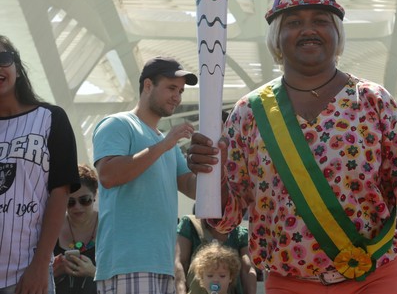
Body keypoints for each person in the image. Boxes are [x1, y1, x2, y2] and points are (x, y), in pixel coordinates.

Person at [187, 0, 397, 293]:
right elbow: (224, 221)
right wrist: (211, 173)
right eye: (294, 21)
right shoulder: (249, 113)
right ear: (277, 37)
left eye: (320, 20)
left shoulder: (374, 100)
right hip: (290, 283)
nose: (308, 29)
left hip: (374, 280)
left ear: (336, 34)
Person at [92, 56, 199, 293]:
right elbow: (108, 176)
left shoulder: (164, 141)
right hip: (128, 264)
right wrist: (166, 144)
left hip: (164, 266)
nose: (177, 97)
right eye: (171, 88)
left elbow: (192, 188)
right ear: (148, 85)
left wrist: (216, 159)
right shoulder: (118, 124)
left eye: (180, 91)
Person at [0, 35, 80, 294]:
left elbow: (60, 193)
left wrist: (39, 265)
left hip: (26, 274)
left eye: (2, 59)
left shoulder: (51, 118)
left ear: (17, 68)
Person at [175, 211, 256, 294]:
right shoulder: (190, 224)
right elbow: (180, 262)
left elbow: (248, 269)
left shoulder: (240, 234)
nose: (216, 280)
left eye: (222, 276)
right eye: (210, 275)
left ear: (230, 277)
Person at [53, 164, 99, 293]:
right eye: (70, 202)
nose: (77, 207)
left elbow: (123, 277)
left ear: (94, 194)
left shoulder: (109, 227)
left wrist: (93, 272)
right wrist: (52, 272)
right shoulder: (52, 228)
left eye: (84, 200)